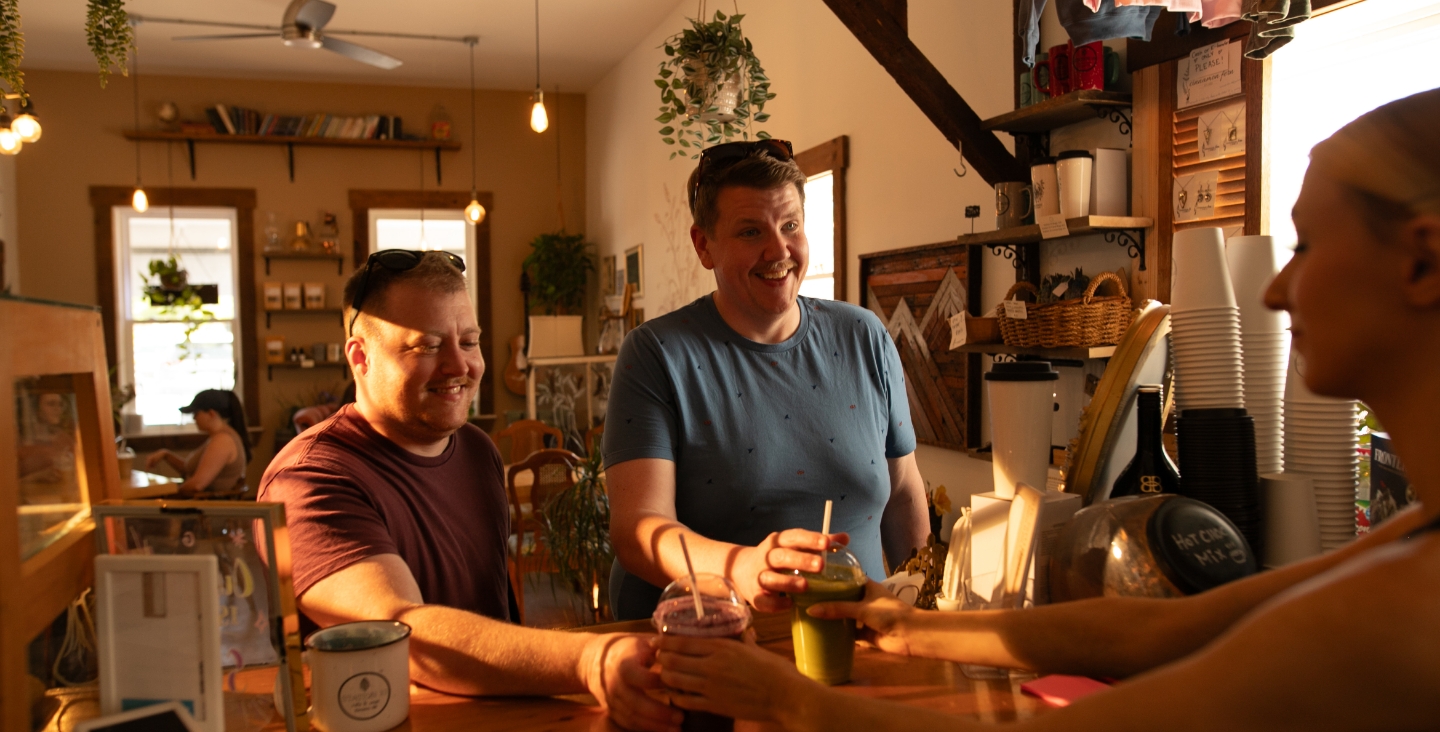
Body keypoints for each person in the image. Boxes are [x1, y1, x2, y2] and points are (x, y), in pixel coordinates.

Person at [654, 89, 1440, 731]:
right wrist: (908, 627)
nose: (1274, 288)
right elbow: (1163, 629)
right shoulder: (1417, 532)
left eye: (1303, 246)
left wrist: (785, 699)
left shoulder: (1400, 614)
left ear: (1422, 258)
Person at [257, 250, 675, 732]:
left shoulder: (476, 450)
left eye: (470, 341)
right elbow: (402, 633)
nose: (459, 365)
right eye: (427, 346)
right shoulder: (309, 479)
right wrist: (588, 659)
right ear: (360, 357)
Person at [604, 139, 929, 620]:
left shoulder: (865, 336)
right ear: (703, 245)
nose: (778, 250)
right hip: (714, 642)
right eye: (750, 231)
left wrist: (926, 613)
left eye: (790, 226)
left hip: (861, 638)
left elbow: (903, 494)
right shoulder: (657, 354)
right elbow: (637, 530)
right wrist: (741, 569)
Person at [145, 389, 251, 497]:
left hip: (208, 509)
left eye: (196, 413)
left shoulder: (223, 440)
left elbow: (197, 484)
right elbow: (189, 468)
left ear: (211, 413)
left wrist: (167, 493)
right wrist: (166, 454)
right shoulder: (218, 437)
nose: (194, 418)